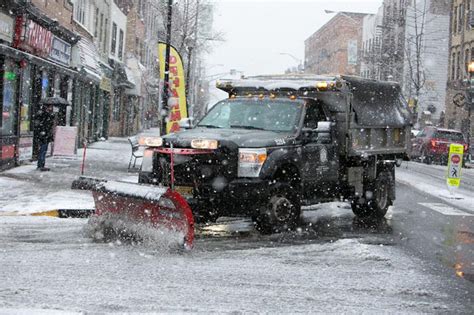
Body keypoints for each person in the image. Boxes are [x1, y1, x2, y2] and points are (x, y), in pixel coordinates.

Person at [35, 104, 55, 171]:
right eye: (50, 107)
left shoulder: (45, 115)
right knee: (43, 150)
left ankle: (41, 164)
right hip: (44, 136)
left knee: (43, 150)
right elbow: (45, 125)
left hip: (44, 135)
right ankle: (41, 165)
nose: (51, 108)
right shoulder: (44, 115)